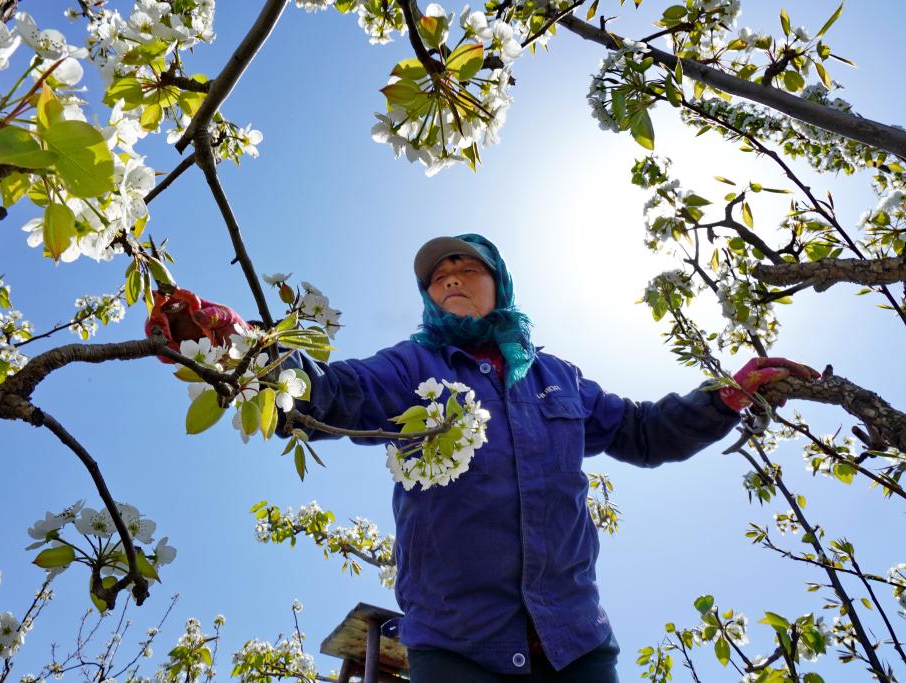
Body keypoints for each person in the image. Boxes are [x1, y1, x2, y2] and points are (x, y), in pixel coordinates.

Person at [149, 233, 819, 683]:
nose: (448, 280)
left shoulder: (559, 378)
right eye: (437, 277)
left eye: (464, 268)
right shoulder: (411, 364)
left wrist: (728, 395)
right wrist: (238, 349)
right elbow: (336, 393)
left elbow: (643, 432)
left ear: (499, 284)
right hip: (458, 644)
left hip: (575, 639)